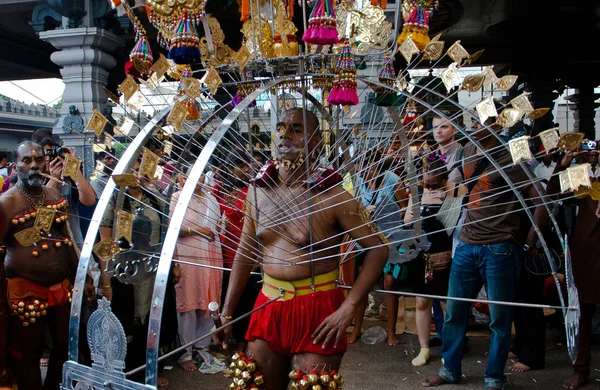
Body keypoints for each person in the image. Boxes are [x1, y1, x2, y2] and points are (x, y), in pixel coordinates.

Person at [216, 108, 389, 389]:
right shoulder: (258, 191)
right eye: (281, 127)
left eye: (296, 129)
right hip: (268, 303)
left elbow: (378, 249)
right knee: (255, 384)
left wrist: (348, 308)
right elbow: (245, 253)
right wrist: (226, 313)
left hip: (317, 307)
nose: (285, 134)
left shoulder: (333, 195)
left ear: (317, 142)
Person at [423, 115, 549, 390]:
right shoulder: (466, 150)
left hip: (499, 247)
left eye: (484, 123)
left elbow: (541, 200)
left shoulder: (512, 156)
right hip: (467, 244)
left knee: (499, 319)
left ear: (497, 124)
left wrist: (529, 242)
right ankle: (449, 371)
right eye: (474, 122)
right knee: (455, 313)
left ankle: (494, 376)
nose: (477, 128)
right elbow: (450, 184)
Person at [0, 141, 85, 389]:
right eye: (27, 160)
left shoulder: (54, 195)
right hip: (26, 292)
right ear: (16, 165)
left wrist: (83, 279)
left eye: (39, 160)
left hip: (61, 288)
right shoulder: (7, 203)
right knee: (29, 351)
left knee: (64, 344)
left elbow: (66, 238)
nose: (34, 165)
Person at [99, 158, 177, 388]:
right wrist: (106, 282)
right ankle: (129, 372)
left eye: (141, 168)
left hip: (153, 270)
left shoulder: (154, 198)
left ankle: (150, 368)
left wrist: (175, 265)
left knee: (154, 317)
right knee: (127, 320)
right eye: (132, 168)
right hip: (125, 272)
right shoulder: (114, 199)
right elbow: (105, 245)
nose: (136, 173)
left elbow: (165, 236)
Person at [546, 148, 600, 390]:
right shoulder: (587, 178)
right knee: (583, 314)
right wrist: (564, 164)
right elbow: (552, 193)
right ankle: (580, 370)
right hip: (587, 256)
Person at [404, 155, 455, 366]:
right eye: (427, 182)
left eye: (434, 183)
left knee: (445, 303)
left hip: (444, 255)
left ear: (443, 180)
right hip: (420, 255)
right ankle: (424, 348)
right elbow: (406, 221)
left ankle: (449, 349)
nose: (430, 186)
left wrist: (442, 199)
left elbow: (453, 227)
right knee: (421, 302)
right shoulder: (416, 193)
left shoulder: (451, 194)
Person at [350, 150, 405, 346]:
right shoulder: (358, 182)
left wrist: (386, 213)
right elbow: (352, 209)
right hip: (364, 241)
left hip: (390, 239)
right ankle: (356, 329)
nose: (362, 172)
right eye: (360, 168)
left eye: (367, 167)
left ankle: (391, 332)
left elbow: (405, 209)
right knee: (361, 286)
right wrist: (364, 213)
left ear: (377, 165)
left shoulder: (393, 181)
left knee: (390, 284)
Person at [171, 173, 223, 372]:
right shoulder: (178, 197)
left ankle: (202, 345)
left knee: (208, 302)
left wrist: (218, 227)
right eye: (194, 175)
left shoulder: (212, 199)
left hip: (211, 253)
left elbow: (217, 226)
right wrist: (198, 231)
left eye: (202, 175)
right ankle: (185, 353)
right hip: (188, 256)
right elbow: (173, 227)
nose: (199, 179)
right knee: (188, 304)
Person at [213, 151, 255, 350]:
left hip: (248, 251)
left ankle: (247, 339)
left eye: (248, 165)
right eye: (243, 165)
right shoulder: (218, 190)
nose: (248, 169)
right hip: (223, 252)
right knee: (228, 295)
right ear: (230, 169)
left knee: (249, 295)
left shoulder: (254, 190)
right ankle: (230, 336)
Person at [40, 138, 96, 250]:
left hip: (73, 245)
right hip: (45, 247)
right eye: (44, 154)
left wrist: (74, 168)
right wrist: (53, 180)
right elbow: (40, 211)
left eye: (52, 154)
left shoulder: (68, 182)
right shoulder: (34, 181)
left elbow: (89, 201)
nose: (48, 158)